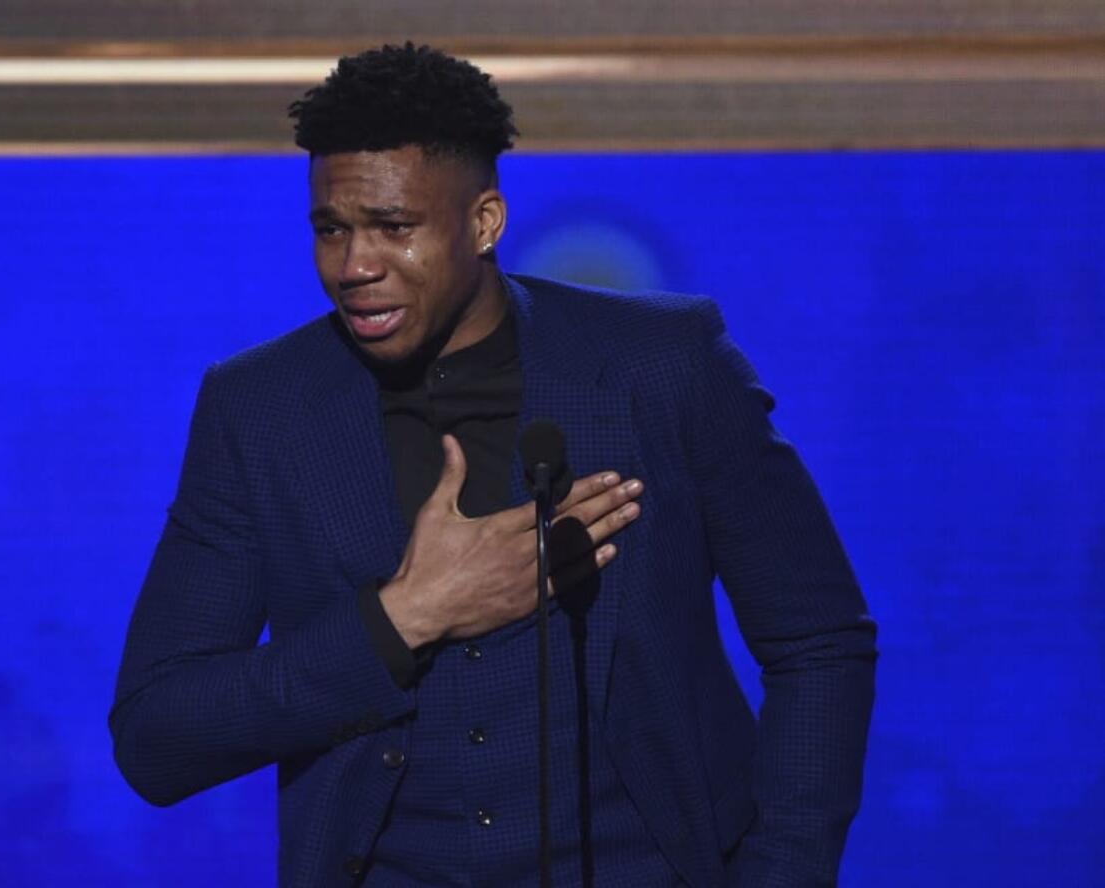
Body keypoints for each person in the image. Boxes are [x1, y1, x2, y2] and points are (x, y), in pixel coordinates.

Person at [109, 42, 877, 887]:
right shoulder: (261, 411)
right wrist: (403, 619)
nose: (354, 266)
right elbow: (157, 734)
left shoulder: (661, 368)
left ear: (484, 222)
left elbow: (819, 640)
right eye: (331, 229)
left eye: (395, 228)